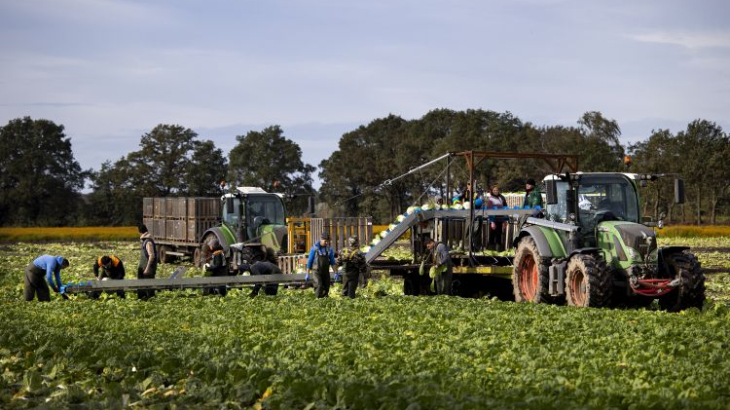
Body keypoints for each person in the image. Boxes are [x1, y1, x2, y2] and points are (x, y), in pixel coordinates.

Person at [306, 232, 337, 298]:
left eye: (327, 241)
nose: (326, 243)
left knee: (326, 286)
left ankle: (325, 302)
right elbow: (310, 261)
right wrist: (307, 273)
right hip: (316, 271)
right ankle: (318, 302)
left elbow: (332, 262)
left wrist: (335, 272)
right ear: (321, 239)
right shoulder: (314, 249)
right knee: (319, 286)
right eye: (325, 241)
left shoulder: (329, 249)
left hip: (325, 272)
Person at [137, 224, 157, 300]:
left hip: (148, 268)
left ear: (139, 232)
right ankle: (142, 299)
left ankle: (150, 300)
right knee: (141, 286)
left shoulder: (148, 242)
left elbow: (152, 256)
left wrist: (147, 268)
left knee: (149, 286)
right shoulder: (144, 241)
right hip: (142, 267)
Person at [486, 184, 508, 251]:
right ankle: (490, 251)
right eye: (494, 190)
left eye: (497, 190)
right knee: (492, 235)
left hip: (500, 219)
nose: (496, 191)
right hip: (493, 219)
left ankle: (498, 251)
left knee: (499, 235)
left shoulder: (502, 198)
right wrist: (492, 221)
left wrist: (505, 220)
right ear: (492, 191)